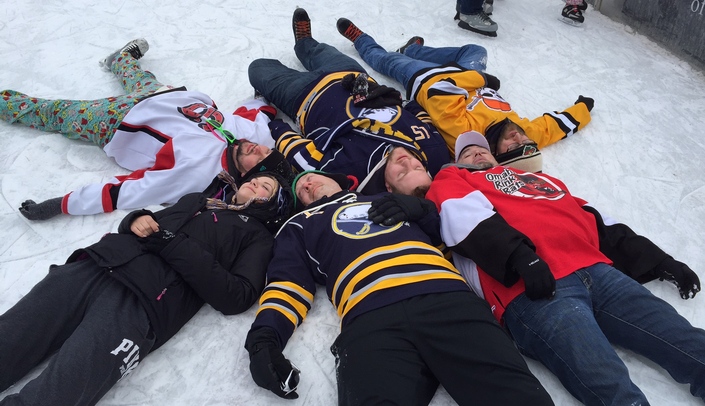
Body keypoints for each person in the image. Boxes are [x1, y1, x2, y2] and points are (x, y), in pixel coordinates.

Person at [423, 131, 705, 405]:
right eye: (467, 152)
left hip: (597, 271)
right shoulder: (452, 178)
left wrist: (661, 261)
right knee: (608, 380)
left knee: (681, 338)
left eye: (481, 148)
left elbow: (599, 222)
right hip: (532, 287)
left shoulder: (540, 179)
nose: (476, 152)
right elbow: (460, 216)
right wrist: (519, 257)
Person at [243, 169, 555, 405]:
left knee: (519, 396)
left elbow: (452, 236)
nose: (308, 185)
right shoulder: (300, 225)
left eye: (311, 178)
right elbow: (288, 284)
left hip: (446, 299)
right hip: (369, 319)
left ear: (339, 180)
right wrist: (263, 341)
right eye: (302, 190)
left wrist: (423, 211)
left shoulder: (384, 198)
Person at [0, 171, 293, 406]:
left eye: (265, 186)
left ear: (273, 205)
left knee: (62, 388)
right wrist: (135, 219)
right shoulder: (197, 201)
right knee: (11, 337)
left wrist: (174, 245)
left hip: (143, 304)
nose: (254, 182)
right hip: (96, 266)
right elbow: (149, 225)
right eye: (254, 178)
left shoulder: (258, 237)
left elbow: (237, 296)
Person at [0, 39, 292, 220]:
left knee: (55, 113)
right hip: (163, 94)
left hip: (117, 119)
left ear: (245, 176)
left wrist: (59, 205)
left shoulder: (195, 173)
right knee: (138, 76)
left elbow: (128, 192)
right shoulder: (253, 138)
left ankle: (6, 104)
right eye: (265, 149)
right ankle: (121, 59)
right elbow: (258, 108)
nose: (258, 149)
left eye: (259, 158)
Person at [248, 8, 452, 196]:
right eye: (417, 167)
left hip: (304, 96)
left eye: (401, 173)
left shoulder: (349, 172)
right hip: (350, 77)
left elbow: (302, 157)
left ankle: (277, 77)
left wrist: (275, 126)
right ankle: (304, 42)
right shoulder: (435, 152)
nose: (406, 161)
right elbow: (422, 116)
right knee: (318, 50)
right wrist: (398, 99)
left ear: (388, 187)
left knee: (258, 68)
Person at [335, 20, 594, 157]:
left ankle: (362, 40)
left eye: (512, 145)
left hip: (426, 78)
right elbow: (554, 127)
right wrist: (583, 109)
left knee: (386, 61)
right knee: (476, 50)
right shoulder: (522, 134)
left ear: (495, 152)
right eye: (526, 141)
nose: (520, 137)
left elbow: (441, 89)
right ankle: (414, 48)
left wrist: (483, 81)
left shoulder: (466, 133)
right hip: (466, 74)